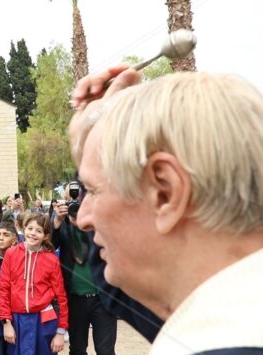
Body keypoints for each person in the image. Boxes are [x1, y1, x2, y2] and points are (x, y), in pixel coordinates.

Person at [69, 66, 263, 353]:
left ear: (165, 191)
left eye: (93, 191)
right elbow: (115, 283)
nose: (83, 219)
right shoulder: (226, 316)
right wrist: (90, 146)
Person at [52, 183, 117, 355]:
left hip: (102, 299)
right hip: (75, 299)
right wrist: (58, 222)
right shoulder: (63, 225)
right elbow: (49, 246)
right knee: (78, 349)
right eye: (72, 198)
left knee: (105, 350)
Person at [0, 212, 67, 355]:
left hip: (44, 321)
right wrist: (7, 323)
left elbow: (61, 296)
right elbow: (4, 289)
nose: (33, 233)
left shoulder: (51, 259)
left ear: (46, 236)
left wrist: (60, 332)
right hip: (17, 320)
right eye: (30, 228)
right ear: (23, 229)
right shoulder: (11, 254)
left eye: (39, 230)